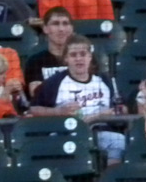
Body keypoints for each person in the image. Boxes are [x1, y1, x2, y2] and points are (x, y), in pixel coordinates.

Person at [31, 34, 126, 166]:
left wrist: (117, 111)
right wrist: (58, 111)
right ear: (66, 59)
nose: (78, 59)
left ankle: (107, 180)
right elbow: (34, 109)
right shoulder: (55, 82)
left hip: (100, 133)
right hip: (66, 133)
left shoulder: (104, 80)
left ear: (89, 57)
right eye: (73, 55)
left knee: (119, 140)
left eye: (82, 54)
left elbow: (121, 107)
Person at [24, 6, 74, 98]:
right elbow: (36, 94)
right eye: (55, 24)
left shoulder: (81, 58)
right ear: (45, 28)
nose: (61, 29)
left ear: (71, 29)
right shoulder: (35, 61)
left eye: (65, 23)